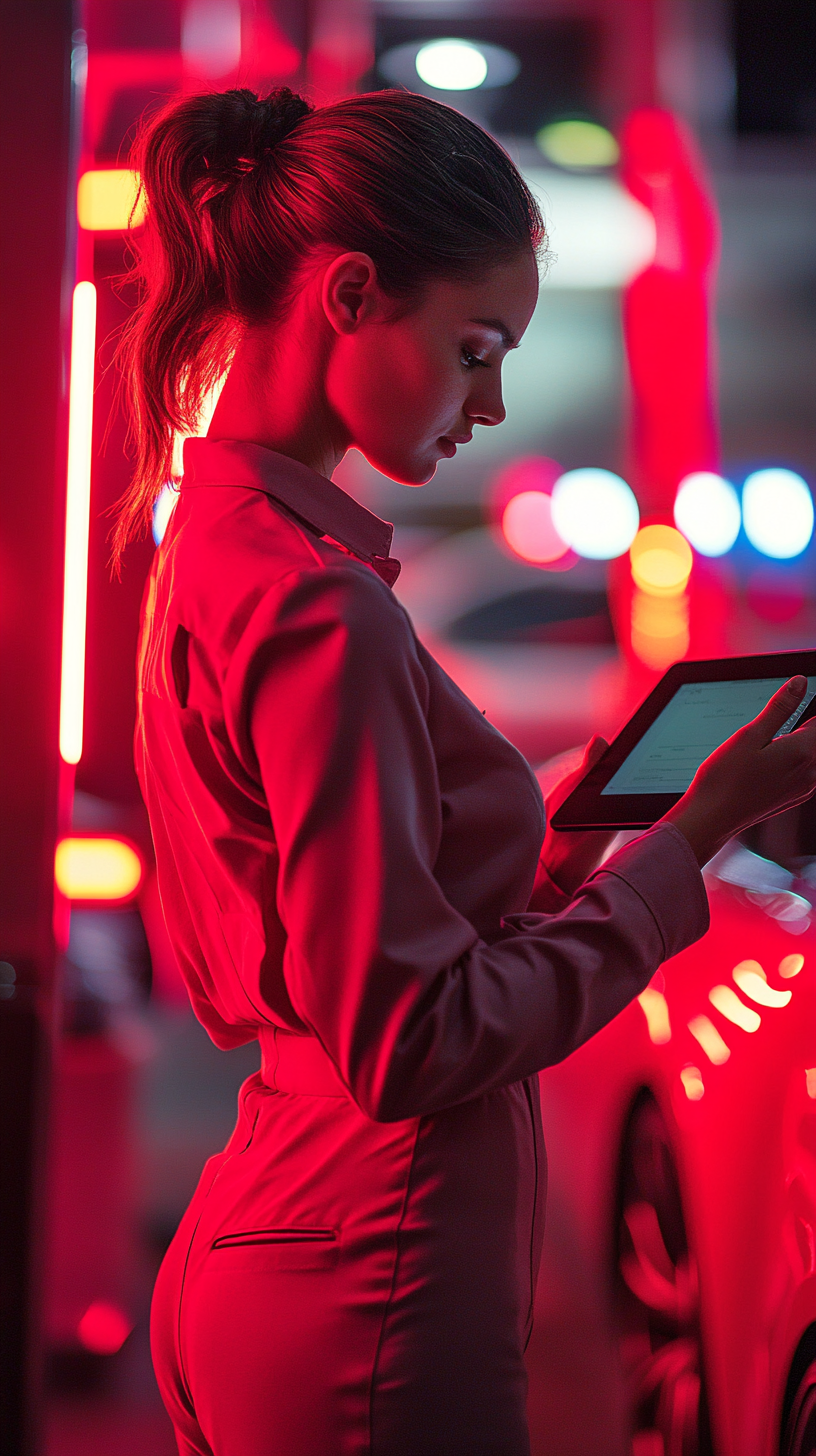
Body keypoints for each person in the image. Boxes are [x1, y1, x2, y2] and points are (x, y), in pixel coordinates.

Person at [116, 86, 816, 1456]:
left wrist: (584, 824)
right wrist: (696, 844)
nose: (492, 404)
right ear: (354, 293)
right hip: (375, 1269)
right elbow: (413, 1038)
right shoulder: (321, 608)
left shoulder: (213, 546)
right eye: (476, 348)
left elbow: (356, 945)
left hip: (267, 1226)